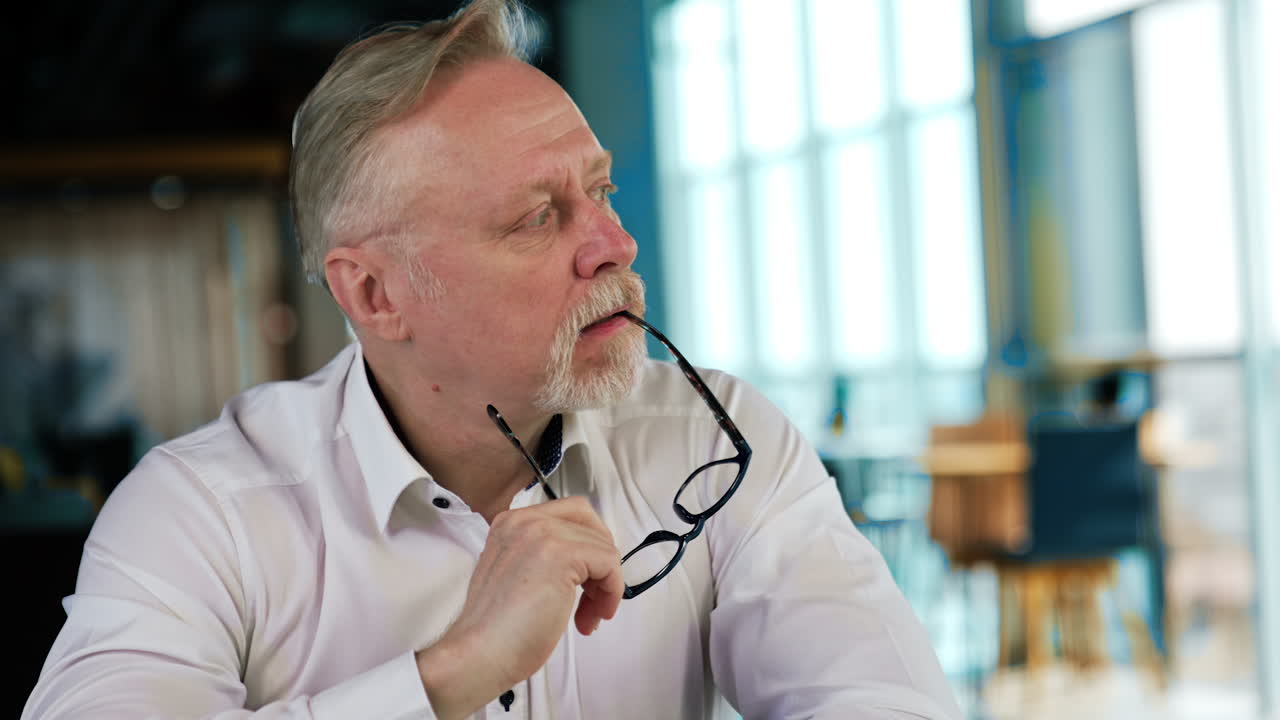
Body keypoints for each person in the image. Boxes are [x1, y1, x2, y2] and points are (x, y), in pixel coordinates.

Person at [24, 1, 962, 717]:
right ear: (375, 296)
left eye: (600, 190)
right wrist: (452, 674)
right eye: (537, 218)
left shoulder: (717, 439)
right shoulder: (202, 511)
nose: (613, 245)